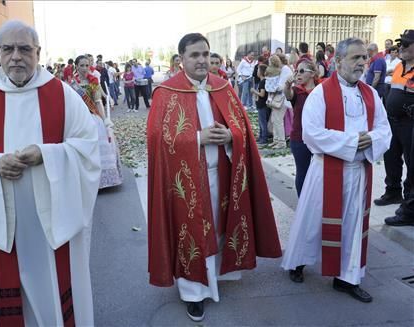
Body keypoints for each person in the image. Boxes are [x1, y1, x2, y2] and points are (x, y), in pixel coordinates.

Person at [0, 20, 101, 326]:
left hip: (54, 224)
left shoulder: (62, 95)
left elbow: (87, 147)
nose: (16, 56)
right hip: (6, 221)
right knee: (13, 297)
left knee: (58, 290)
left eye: (24, 49)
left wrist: (46, 155)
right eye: (8, 49)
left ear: (38, 52)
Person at [147, 32, 281, 322]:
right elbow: (157, 138)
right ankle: (193, 292)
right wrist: (197, 137)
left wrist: (230, 136)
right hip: (185, 179)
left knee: (218, 227)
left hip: (221, 172)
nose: (201, 60)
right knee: (192, 232)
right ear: (181, 59)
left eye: (205, 54)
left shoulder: (223, 87)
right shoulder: (166, 92)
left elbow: (242, 128)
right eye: (194, 55)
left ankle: (216, 275)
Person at [281, 37, 392, 303]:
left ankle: (347, 278)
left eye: (364, 57)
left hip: (357, 171)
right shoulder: (321, 93)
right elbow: (312, 134)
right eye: (355, 58)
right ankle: (298, 261)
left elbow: (384, 129)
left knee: (353, 224)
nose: (362, 63)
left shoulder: (371, 93)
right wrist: (353, 141)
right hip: (326, 172)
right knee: (313, 221)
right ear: (339, 61)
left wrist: (372, 140)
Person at [375, 30, 414, 207]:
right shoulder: (400, 66)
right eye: (401, 44)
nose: (401, 47)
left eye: (406, 44)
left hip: (409, 123)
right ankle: (392, 192)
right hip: (393, 121)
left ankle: (409, 201)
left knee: (411, 163)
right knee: (390, 158)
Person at [72, 55, 122, 189]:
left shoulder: (93, 82)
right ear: (76, 66)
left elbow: (98, 102)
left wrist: (105, 119)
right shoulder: (71, 84)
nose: (84, 68)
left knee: (98, 149)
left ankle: (101, 181)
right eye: (81, 65)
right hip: (77, 120)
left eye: (87, 65)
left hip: (93, 118)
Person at [283, 59, 317, 196]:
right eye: (296, 70)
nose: (298, 73)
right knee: (302, 171)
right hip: (299, 138)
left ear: (313, 73)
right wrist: (287, 84)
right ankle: (303, 203)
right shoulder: (297, 91)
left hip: (318, 138)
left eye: (302, 71)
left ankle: (315, 202)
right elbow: (287, 94)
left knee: (316, 173)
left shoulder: (321, 91)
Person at [251, 64, 270, 145]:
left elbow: (262, 94)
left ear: (261, 72)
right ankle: (261, 136)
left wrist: (254, 91)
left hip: (262, 105)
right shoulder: (262, 81)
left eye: (258, 70)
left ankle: (264, 138)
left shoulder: (263, 82)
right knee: (260, 122)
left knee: (263, 122)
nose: (257, 72)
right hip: (260, 105)